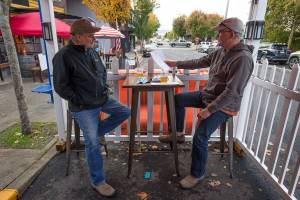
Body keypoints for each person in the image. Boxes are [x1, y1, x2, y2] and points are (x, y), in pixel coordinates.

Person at [158, 17, 254, 189]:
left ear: (231, 33)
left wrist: (209, 110)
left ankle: (197, 173)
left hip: (224, 105)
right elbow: (199, 62)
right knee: (177, 99)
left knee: (200, 136)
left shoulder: (243, 59)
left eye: (220, 32)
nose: (217, 35)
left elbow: (232, 92)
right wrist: (175, 63)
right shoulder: (221, 51)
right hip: (208, 95)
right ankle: (178, 133)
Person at [53, 18, 130, 197]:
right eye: (90, 36)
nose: (93, 39)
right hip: (83, 106)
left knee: (125, 111)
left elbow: (101, 72)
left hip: (101, 99)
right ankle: (98, 181)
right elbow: (60, 86)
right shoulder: (63, 56)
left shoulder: (91, 51)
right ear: (78, 37)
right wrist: (80, 100)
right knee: (93, 144)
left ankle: (95, 132)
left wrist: (103, 88)